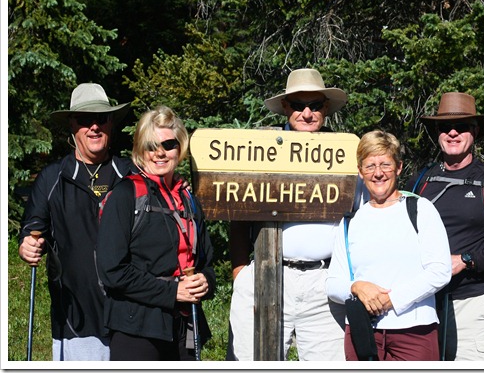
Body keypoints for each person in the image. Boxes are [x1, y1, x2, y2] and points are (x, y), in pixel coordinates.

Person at [228, 68, 361, 361]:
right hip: (267, 274)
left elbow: (361, 216)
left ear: (326, 109)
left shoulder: (344, 154)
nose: (307, 113)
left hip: (324, 282)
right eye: (299, 105)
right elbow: (236, 212)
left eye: (315, 106)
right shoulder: (259, 150)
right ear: (286, 108)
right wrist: (239, 271)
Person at [18, 83, 134, 360]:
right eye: (85, 120)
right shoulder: (52, 177)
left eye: (101, 118)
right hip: (75, 320)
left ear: (111, 124)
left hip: (129, 318)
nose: (94, 126)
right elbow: (32, 228)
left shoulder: (130, 175)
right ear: (72, 125)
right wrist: (27, 245)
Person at [410, 91, 484, 361]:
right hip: (421, 305)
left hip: (470, 306)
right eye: (444, 127)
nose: (452, 133)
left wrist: (465, 260)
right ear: (437, 133)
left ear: (474, 132)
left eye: (461, 127)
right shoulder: (420, 181)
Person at [95, 105, 216, 361]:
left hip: (183, 327)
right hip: (136, 328)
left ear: (180, 147)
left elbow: (206, 262)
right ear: (140, 149)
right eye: (151, 145)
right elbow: (112, 270)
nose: (159, 153)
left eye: (169, 144)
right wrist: (173, 292)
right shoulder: (125, 196)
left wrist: (206, 281)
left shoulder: (188, 199)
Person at [326, 130, 452, 361]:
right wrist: (356, 287)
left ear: (399, 167)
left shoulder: (420, 210)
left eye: (385, 164)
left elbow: (440, 271)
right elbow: (333, 284)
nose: (378, 173)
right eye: (370, 166)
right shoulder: (350, 221)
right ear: (360, 172)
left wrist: (392, 300)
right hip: (362, 334)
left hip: (415, 332)